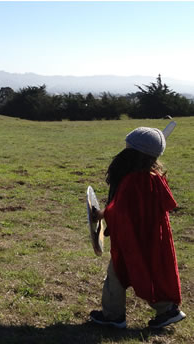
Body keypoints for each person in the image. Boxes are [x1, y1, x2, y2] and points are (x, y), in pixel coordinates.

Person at [89, 127, 185, 329]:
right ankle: (166, 309)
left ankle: (114, 316)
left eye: (128, 146)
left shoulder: (136, 180)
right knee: (146, 271)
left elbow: (121, 210)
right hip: (150, 235)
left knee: (123, 272)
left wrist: (103, 215)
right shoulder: (153, 176)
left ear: (133, 153)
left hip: (136, 237)